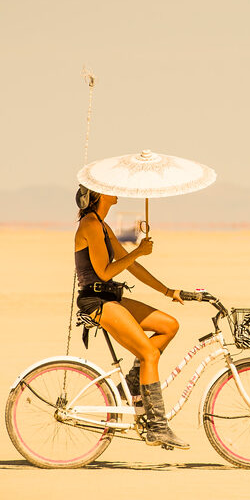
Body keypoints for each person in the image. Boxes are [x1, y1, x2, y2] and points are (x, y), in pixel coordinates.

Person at [74, 185, 189, 450]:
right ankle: (157, 428)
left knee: (169, 325)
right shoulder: (90, 225)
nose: (115, 190)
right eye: (108, 187)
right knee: (149, 354)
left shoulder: (102, 226)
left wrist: (168, 291)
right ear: (99, 195)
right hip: (97, 301)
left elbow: (131, 266)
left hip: (109, 297)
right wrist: (137, 251)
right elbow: (104, 272)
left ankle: (132, 383)